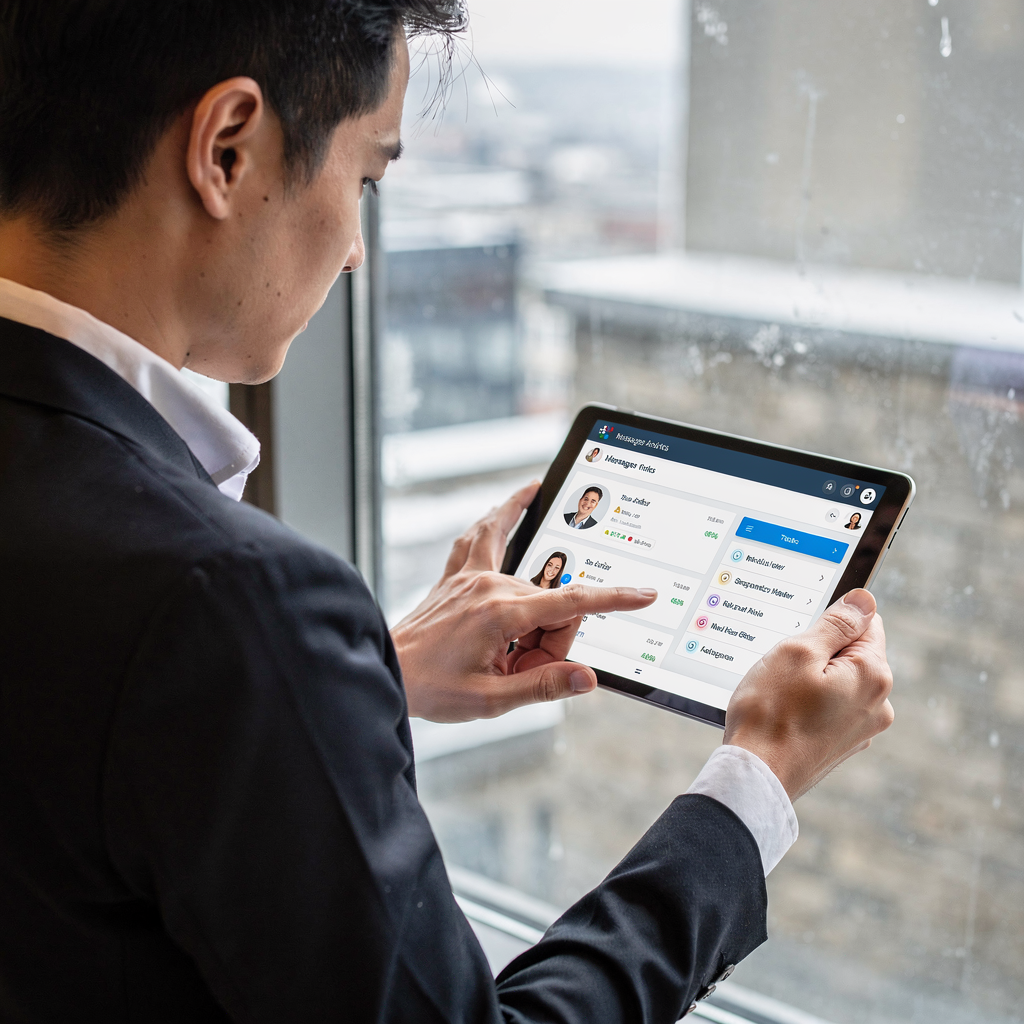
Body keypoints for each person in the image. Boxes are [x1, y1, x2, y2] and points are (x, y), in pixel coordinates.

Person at [0, 3, 895, 1022]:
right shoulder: (230, 600)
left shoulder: (204, 612)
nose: (354, 252)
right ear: (229, 148)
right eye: (366, 179)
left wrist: (345, 682)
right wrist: (756, 779)